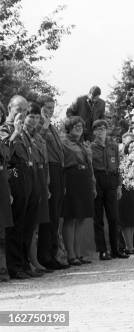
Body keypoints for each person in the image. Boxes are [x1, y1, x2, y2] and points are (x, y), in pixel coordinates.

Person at [1, 97, 42, 279]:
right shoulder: (4, 129)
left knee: (28, 223)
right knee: (16, 224)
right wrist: (15, 133)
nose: (23, 113)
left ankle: (25, 262)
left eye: (25, 110)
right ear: (10, 108)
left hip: (28, 174)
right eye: (19, 108)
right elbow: (5, 155)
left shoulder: (25, 132)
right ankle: (14, 266)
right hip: (14, 175)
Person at [36, 96, 69, 270]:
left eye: (52, 107)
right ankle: (45, 256)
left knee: (56, 215)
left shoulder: (52, 125)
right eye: (47, 107)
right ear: (41, 108)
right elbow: (38, 141)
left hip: (58, 169)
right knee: (49, 216)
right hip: (49, 169)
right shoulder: (40, 124)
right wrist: (45, 124)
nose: (51, 110)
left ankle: (54, 254)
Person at [91, 120, 128, 260]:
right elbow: (90, 168)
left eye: (103, 129)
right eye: (98, 129)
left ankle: (116, 248)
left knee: (114, 217)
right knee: (98, 217)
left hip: (111, 180)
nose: (101, 131)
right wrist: (93, 185)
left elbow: (118, 167)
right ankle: (102, 250)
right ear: (94, 132)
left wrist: (119, 186)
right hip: (98, 179)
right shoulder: (91, 147)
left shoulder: (112, 146)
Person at [62, 116, 96, 266]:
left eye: (81, 125)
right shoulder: (63, 142)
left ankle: (79, 253)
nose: (79, 127)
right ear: (69, 127)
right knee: (71, 218)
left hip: (84, 181)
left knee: (81, 218)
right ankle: (70, 255)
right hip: (71, 180)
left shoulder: (83, 145)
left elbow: (90, 166)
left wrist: (93, 185)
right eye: (75, 125)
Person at [29, 110, 52, 274]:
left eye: (38, 117)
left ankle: (35, 259)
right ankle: (30, 260)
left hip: (42, 178)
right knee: (30, 225)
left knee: (36, 225)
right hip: (32, 177)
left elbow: (45, 160)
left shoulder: (38, 136)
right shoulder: (27, 136)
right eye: (32, 117)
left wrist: (47, 183)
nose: (36, 120)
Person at [117, 132, 134, 254]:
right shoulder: (121, 157)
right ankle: (128, 247)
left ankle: (132, 245)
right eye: (129, 143)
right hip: (125, 189)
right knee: (126, 219)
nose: (132, 146)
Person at [0, 102, 14, 282]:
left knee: (2, 229)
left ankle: (3, 268)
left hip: (2, 183)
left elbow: (7, 159)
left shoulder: (2, 135)